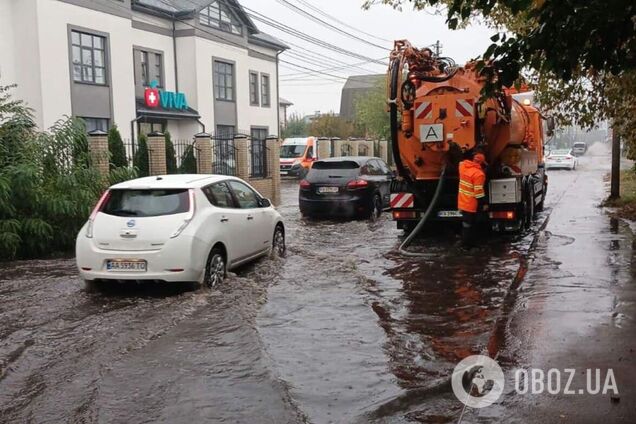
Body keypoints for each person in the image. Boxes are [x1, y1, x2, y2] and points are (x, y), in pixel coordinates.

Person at [458, 152, 487, 247]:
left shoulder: (463, 167)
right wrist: (484, 203)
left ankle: (466, 244)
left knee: (466, 224)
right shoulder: (479, 174)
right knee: (470, 225)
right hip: (471, 204)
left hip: (462, 202)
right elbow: (478, 192)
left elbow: (461, 162)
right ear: (482, 163)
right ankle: (467, 245)